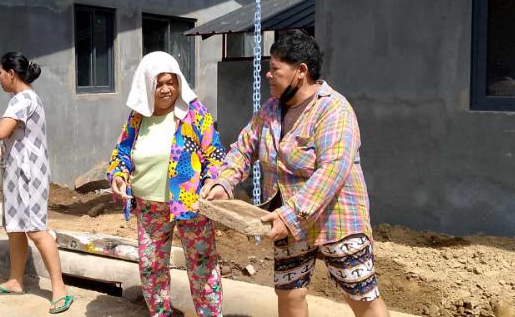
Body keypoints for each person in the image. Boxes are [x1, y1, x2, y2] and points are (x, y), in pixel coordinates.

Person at [201, 31, 391, 317]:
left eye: (275, 68)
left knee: (361, 295)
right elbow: (243, 149)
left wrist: (289, 216)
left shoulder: (333, 109)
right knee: (289, 292)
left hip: (336, 220)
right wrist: (223, 183)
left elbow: (332, 170)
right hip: (287, 220)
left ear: (300, 71)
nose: (268, 75)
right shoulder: (270, 111)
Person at [107, 51, 227, 317]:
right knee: (151, 266)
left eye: (170, 82)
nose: (165, 89)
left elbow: (215, 153)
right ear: (147, 85)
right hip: (149, 208)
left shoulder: (194, 113)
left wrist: (212, 181)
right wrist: (118, 174)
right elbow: (122, 151)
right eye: (158, 83)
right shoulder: (138, 116)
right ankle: (160, 313)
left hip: (191, 205)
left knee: (201, 266)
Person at [0, 52, 73, 314]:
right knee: (15, 228)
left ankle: (60, 288)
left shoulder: (22, 99)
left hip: (29, 175)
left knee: (36, 229)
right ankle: (15, 280)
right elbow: (11, 141)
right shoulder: (25, 99)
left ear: (11, 73)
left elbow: (0, 132)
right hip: (17, 173)